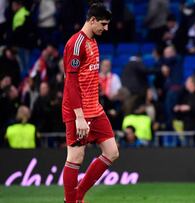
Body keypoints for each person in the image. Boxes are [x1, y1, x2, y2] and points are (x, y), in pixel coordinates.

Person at [61, 3, 118, 203]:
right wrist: (79, 117)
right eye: (103, 24)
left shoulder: (93, 41)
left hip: (95, 109)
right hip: (78, 112)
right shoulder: (76, 44)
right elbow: (71, 83)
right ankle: (71, 201)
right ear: (92, 20)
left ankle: (78, 195)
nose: (106, 28)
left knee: (112, 152)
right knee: (75, 158)